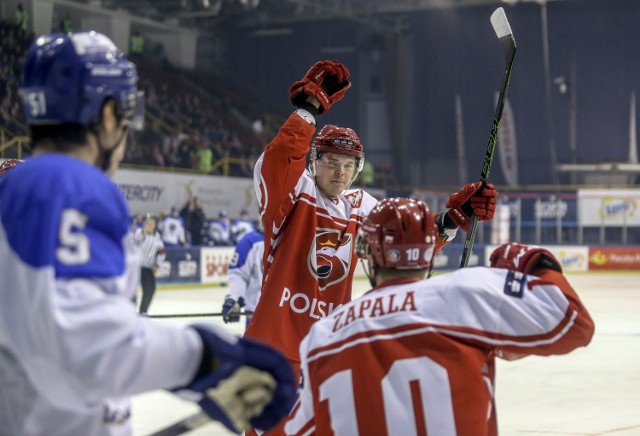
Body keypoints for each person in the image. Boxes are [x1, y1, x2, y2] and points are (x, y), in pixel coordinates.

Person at [0, 31, 295, 435]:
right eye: (124, 113)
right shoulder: (70, 184)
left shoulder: (15, 190)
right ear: (106, 114)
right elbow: (87, 349)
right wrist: (210, 358)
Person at [244, 60, 499, 434]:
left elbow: (407, 237)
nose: (340, 172)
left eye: (349, 165)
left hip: (331, 351)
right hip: (274, 352)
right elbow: (282, 158)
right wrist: (307, 109)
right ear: (315, 161)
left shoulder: (359, 205)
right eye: (331, 161)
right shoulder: (295, 194)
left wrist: (453, 217)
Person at [285, 198, 595, 435]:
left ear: (368, 254)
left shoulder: (323, 334)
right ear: (431, 250)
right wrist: (528, 259)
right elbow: (574, 323)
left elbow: (294, 430)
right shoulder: (467, 291)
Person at [222, 224, 265, 330]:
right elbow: (238, 274)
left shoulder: (294, 237)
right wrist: (235, 298)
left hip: (291, 312)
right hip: (257, 313)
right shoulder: (250, 241)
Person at [135, 215, 165, 314]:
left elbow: (161, 252)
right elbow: (135, 242)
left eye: (152, 224)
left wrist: (157, 264)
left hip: (148, 268)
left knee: (150, 289)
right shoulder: (140, 233)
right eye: (148, 224)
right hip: (136, 267)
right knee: (130, 290)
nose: (150, 226)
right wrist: (144, 231)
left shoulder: (157, 237)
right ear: (145, 224)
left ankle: (143, 312)